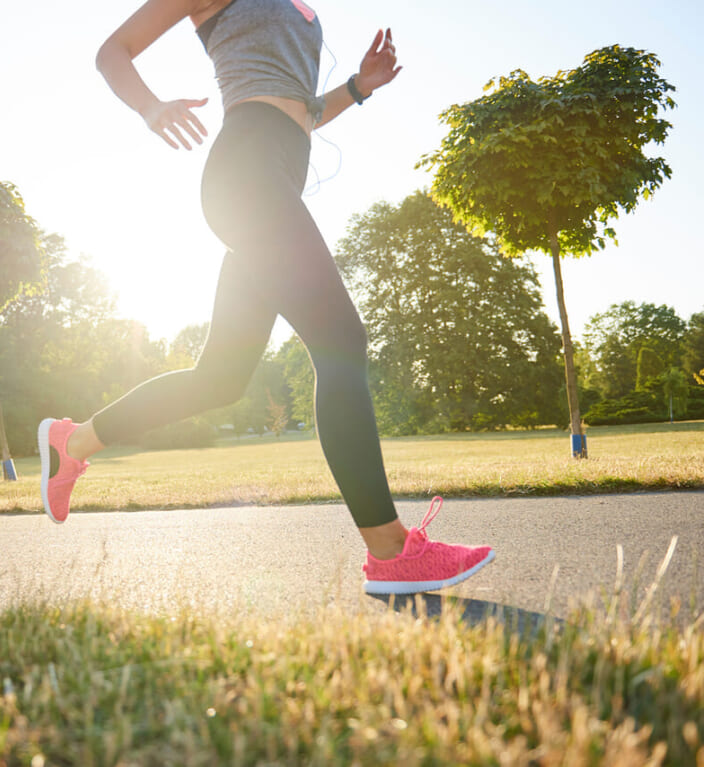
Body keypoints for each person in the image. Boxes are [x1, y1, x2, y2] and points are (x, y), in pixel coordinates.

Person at [38, 0, 494, 595]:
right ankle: (389, 552)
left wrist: (359, 87)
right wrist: (152, 108)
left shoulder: (300, 11)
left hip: (270, 176)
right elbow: (111, 52)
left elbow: (302, 111)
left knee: (220, 378)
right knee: (340, 342)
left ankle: (69, 442)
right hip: (246, 176)